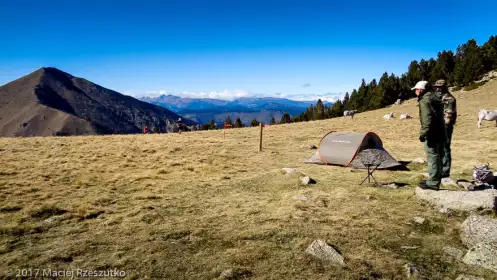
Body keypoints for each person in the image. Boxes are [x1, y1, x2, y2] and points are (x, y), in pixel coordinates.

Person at [412, 81, 446, 190]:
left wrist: (423, 134)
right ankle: (435, 179)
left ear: (421, 90)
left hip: (432, 133)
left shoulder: (424, 100)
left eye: (416, 89)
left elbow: (427, 120)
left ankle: (432, 183)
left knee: (432, 156)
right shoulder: (435, 97)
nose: (415, 91)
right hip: (441, 130)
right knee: (438, 156)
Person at [433, 79, 457, 178]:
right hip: (437, 125)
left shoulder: (449, 99)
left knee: (445, 147)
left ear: (444, 87)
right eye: (436, 87)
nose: (438, 88)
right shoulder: (438, 97)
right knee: (437, 148)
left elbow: (448, 115)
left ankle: (445, 170)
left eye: (440, 87)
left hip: (445, 126)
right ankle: (438, 168)